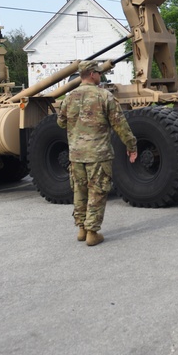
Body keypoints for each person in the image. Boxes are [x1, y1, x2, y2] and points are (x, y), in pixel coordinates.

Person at [57, 60, 137, 246]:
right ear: (92, 74)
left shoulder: (69, 97)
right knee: (97, 191)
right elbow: (120, 125)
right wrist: (131, 145)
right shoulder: (104, 96)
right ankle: (92, 232)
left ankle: (81, 229)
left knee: (80, 190)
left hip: (76, 155)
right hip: (98, 155)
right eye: (99, 73)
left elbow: (60, 122)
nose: (100, 76)